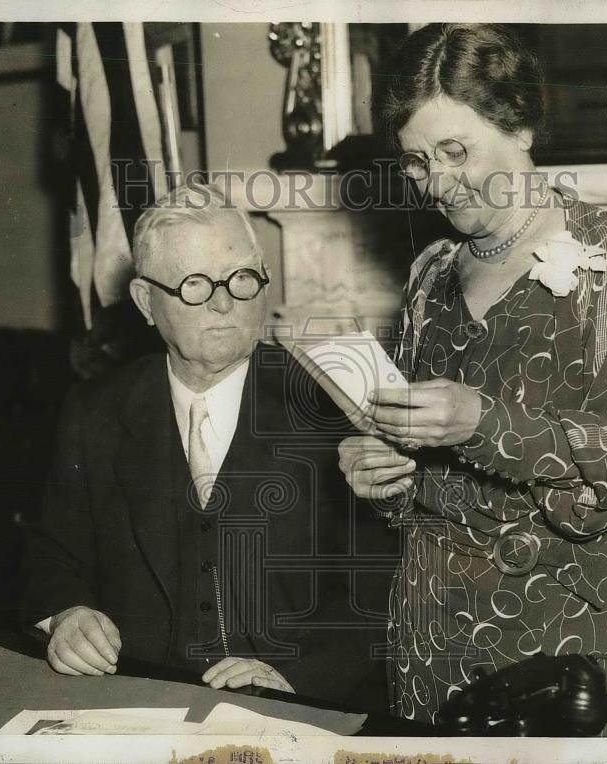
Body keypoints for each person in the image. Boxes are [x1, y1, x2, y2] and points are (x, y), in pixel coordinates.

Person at [338, 24, 607, 736]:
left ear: (520, 124)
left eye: (456, 151)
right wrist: (381, 472)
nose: (438, 181)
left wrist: (485, 423)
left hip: (554, 637)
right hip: (428, 635)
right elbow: (417, 473)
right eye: (416, 162)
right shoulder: (430, 274)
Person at [22, 183, 392, 708]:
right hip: (137, 700)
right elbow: (54, 550)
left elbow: (384, 586)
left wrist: (298, 677)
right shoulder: (96, 409)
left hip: (295, 707)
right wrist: (67, 613)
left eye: (242, 278)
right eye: (195, 284)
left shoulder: (331, 404)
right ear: (147, 302)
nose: (224, 304)